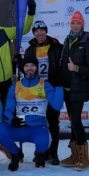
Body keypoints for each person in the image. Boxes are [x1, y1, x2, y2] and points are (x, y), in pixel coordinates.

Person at [0, 56, 64, 171]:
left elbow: (57, 106)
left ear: (37, 67)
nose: (29, 68)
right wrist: (12, 120)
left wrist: (59, 87)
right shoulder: (15, 86)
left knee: (44, 141)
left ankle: (39, 153)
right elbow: (8, 110)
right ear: (23, 69)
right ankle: (16, 153)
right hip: (20, 124)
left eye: (32, 65)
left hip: (37, 126)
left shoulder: (44, 85)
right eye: (26, 66)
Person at [23, 20, 64, 165]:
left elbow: (63, 65)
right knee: (40, 121)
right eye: (36, 31)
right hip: (36, 89)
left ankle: (53, 153)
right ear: (33, 33)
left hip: (51, 87)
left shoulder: (56, 46)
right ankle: (41, 151)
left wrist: (60, 80)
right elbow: (26, 69)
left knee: (53, 121)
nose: (39, 33)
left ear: (46, 31)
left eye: (42, 30)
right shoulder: (29, 49)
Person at [59, 11, 89, 171]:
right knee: (72, 121)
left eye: (78, 23)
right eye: (72, 23)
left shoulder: (87, 39)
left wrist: (76, 68)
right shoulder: (67, 39)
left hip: (79, 87)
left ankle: (83, 156)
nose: (75, 25)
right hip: (67, 87)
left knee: (76, 121)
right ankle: (74, 154)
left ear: (82, 25)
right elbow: (63, 63)